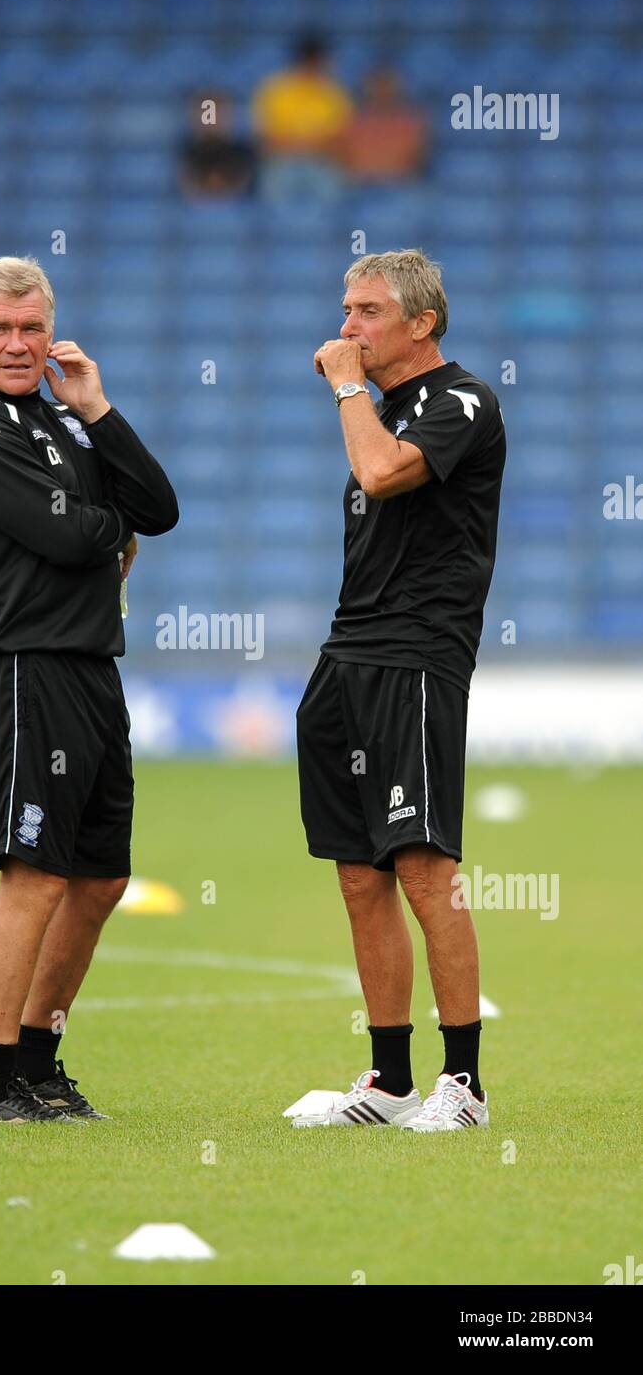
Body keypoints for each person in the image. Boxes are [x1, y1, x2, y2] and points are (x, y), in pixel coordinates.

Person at [0, 255, 178, 1123]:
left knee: (100, 880)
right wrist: (108, 538)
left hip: (91, 665)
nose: (17, 343)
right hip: (23, 665)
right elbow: (66, 535)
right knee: (32, 877)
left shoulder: (66, 422)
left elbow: (160, 506)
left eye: (32, 327)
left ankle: (38, 1065)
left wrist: (98, 411)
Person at [295, 249, 505, 1132]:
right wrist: (359, 392)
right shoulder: (384, 411)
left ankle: (465, 1085)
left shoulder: (460, 401)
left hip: (416, 660)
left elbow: (383, 474)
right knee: (358, 874)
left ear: (421, 324)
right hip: (347, 657)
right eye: (346, 309)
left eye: (369, 311)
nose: (348, 327)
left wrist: (346, 388)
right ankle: (388, 1081)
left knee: (425, 870)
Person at [251, 33, 354, 202]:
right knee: (275, 184)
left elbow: (340, 139)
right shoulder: (274, 89)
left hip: (322, 162)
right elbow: (266, 139)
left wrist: (299, 142)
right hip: (282, 161)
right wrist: (309, 143)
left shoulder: (335, 92)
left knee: (332, 188)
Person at [338, 67, 430, 181]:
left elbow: (415, 160)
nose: (383, 92)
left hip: (399, 185)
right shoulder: (352, 122)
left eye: (388, 87)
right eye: (378, 87)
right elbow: (345, 159)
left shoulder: (412, 123)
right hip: (360, 184)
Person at [179, 90, 256, 198]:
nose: (212, 122)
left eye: (217, 115)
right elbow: (188, 187)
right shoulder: (189, 151)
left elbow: (243, 187)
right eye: (207, 116)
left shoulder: (241, 150)